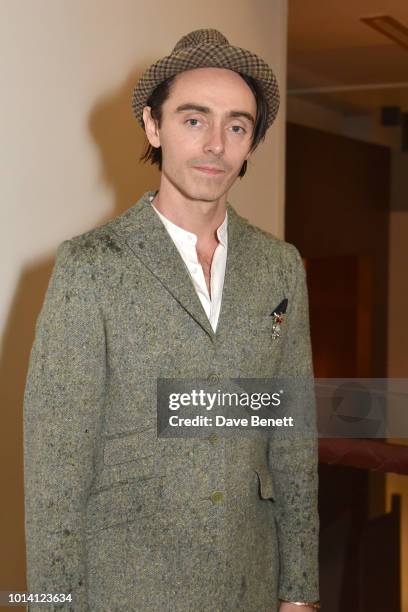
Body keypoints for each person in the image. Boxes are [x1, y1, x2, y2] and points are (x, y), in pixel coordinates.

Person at [23, 28, 320, 611]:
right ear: (153, 127)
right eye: (193, 120)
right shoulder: (91, 267)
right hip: (125, 587)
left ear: (250, 144)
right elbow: (54, 473)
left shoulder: (280, 267)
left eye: (236, 126)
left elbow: (292, 440)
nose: (216, 144)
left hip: (250, 584)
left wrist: (300, 590)